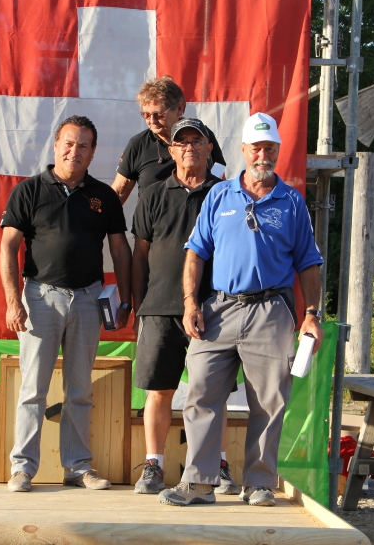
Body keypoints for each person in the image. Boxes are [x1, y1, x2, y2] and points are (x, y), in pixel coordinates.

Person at [158, 112, 325, 507]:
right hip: (220, 308)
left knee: (268, 401)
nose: (262, 155)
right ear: (244, 150)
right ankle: (198, 483)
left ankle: (260, 483)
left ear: (278, 151)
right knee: (199, 391)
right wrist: (189, 303)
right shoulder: (219, 195)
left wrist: (312, 314)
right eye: (256, 147)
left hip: (272, 311)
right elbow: (195, 254)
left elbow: (309, 264)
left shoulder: (292, 202)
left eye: (270, 148)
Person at [0, 115, 132, 493]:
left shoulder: (103, 196)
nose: (75, 151)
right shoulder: (29, 191)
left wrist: (126, 299)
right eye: (69, 143)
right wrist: (13, 301)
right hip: (40, 298)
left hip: (90, 300)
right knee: (33, 389)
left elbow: (120, 250)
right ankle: (23, 468)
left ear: (92, 153)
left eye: (84, 145)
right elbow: (7, 247)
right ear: (56, 146)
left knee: (79, 389)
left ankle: (77, 466)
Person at [130, 118, 239, 496]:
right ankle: (153, 466)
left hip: (213, 309)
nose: (189, 147)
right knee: (159, 390)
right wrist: (137, 303)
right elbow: (139, 255)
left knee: (211, 393)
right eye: (182, 142)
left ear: (210, 148)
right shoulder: (154, 194)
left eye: (197, 140)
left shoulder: (227, 194)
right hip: (159, 307)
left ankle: (217, 465)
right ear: (171, 150)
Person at [111, 76, 227, 204]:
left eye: (159, 114)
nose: (152, 121)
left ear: (179, 109)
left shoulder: (202, 133)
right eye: (146, 115)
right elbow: (118, 193)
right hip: (154, 220)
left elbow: (220, 175)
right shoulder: (138, 145)